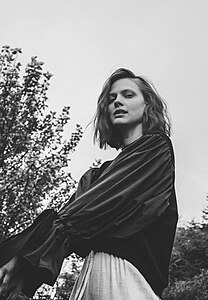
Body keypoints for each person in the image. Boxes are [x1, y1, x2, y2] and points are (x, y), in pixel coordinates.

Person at [0, 68, 178, 300]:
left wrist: (23, 258)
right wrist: (21, 268)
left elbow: (81, 215)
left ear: (147, 105)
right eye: (111, 99)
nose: (117, 102)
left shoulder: (155, 150)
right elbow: (64, 221)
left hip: (129, 277)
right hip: (90, 275)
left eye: (128, 95)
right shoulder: (96, 175)